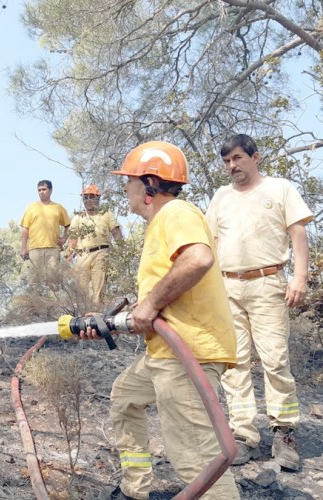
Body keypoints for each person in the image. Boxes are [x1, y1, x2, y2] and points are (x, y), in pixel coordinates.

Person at [84, 141, 239, 500]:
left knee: (196, 458)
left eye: (129, 181)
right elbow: (163, 296)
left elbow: (198, 259)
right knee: (125, 397)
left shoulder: (176, 213)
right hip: (167, 351)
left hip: (188, 351)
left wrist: (150, 303)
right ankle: (134, 489)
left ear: (149, 184)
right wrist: (124, 315)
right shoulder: (158, 226)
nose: (125, 189)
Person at [204, 133, 313, 472]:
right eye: (226, 161)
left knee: (275, 358)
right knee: (234, 363)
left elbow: (298, 234)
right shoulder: (221, 197)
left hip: (268, 283)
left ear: (255, 157)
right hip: (227, 287)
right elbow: (210, 242)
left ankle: (283, 433)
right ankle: (242, 434)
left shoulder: (279, 189)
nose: (231, 166)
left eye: (237, 158)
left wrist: (299, 277)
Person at [66, 184, 123, 305]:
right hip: (83, 254)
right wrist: (69, 253)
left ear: (98, 198)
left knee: (99, 286)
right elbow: (73, 237)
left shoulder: (106, 214)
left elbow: (116, 232)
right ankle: (83, 312)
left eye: (91, 197)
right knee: (81, 287)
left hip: (101, 253)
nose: (88, 200)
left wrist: (121, 250)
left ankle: (97, 312)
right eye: (85, 197)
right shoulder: (78, 217)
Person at [20, 180, 71, 289]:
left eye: (44, 189)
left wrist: (64, 238)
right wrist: (23, 248)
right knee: (34, 281)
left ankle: (54, 305)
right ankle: (35, 305)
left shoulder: (58, 207)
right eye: (39, 190)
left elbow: (68, 225)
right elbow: (25, 229)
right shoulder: (31, 207)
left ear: (50, 190)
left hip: (53, 249)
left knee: (53, 280)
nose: (41, 192)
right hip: (35, 249)